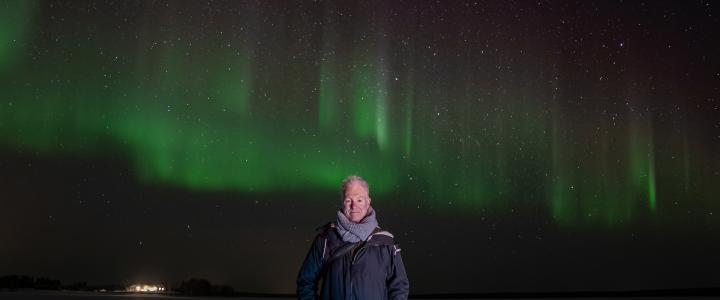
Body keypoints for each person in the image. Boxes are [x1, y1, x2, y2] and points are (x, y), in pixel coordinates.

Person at [297, 175, 410, 300]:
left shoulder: (386, 243)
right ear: (342, 203)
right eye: (348, 200)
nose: (354, 206)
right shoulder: (325, 240)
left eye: (359, 200)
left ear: (368, 202)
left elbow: (399, 287)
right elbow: (305, 283)